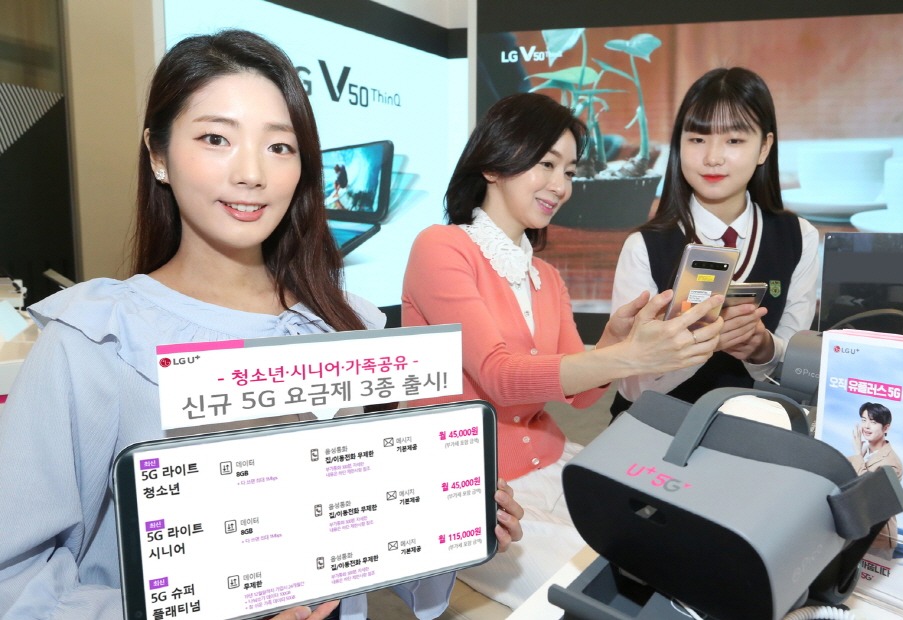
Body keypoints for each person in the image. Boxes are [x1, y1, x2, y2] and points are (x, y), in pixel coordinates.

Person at [0, 29, 522, 620]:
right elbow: (15, 583)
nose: (251, 173)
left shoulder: (343, 324)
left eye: (279, 147)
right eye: (216, 138)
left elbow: (367, 524)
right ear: (158, 155)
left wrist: (452, 516)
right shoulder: (94, 340)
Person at [401, 92, 724, 609]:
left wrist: (615, 341)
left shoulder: (546, 276)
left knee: (668, 552)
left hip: (555, 458)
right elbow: (501, 375)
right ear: (493, 163)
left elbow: (581, 397)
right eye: (546, 163)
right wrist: (630, 356)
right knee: (606, 586)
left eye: (570, 171)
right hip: (475, 485)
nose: (561, 185)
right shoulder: (441, 247)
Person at [609, 66, 819, 415]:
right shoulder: (644, 246)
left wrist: (763, 349)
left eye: (734, 141)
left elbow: (798, 373)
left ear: (764, 147)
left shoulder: (799, 237)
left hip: (756, 429)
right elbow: (630, 385)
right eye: (697, 139)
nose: (712, 158)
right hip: (656, 428)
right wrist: (699, 344)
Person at [849, 402, 903, 559]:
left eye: (873, 422)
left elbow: (868, 491)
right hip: (857, 531)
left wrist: (857, 454)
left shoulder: (891, 463)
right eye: (864, 420)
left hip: (878, 539)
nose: (866, 426)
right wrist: (859, 455)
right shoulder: (864, 452)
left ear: (886, 428)